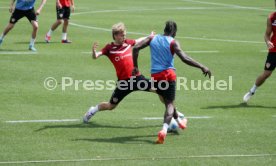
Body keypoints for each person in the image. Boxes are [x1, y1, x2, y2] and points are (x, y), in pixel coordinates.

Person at [132, 20, 211, 144]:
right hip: (168, 75)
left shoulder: (152, 39)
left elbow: (136, 48)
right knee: (169, 103)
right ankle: (164, 130)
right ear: (174, 32)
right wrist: (201, 66)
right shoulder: (173, 42)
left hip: (155, 76)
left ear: (164, 30)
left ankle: (179, 122)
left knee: (166, 99)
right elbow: (184, 58)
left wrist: (135, 67)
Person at [82, 22, 157, 123]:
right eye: (122, 34)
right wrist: (94, 52)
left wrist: (150, 36)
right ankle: (92, 110)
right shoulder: (109, 48)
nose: (124, 36)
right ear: (115, 36)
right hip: (123, 83)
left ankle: (174, 115)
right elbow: (96, 56)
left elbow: (138, 40)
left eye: (124, 34)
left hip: (137, 79)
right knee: (111, 106)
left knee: (160, 90)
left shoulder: (127, 42)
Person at [243, 11, 276, 103]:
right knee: (267, 73)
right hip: (274, 50)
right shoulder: (271, 17)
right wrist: (268, 41)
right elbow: (266, 35)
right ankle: (252, 91)